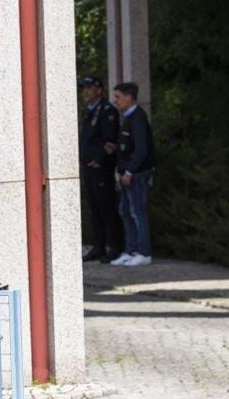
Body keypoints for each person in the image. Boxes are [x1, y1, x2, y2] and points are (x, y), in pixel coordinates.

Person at [78, 76, 123, 263]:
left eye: (89, 88)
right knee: (94, 208)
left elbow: (110, 140)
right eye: (84, 88)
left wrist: (99, 160)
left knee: (107, 208)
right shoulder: (89, 110)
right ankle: (98, 246)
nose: (86, 91)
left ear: (99, 89)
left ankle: (115, 247)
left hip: (101, 168)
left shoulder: (107, 111)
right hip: (88, 167)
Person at [110, 82, 155, 267]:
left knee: (137, 212)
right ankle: (130, 250)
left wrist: (129, 171)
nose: (116, 100)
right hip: (127, 172)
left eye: (119, 97)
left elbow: (142, 150)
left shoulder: (137, 117)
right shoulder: (128, 117)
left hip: (137, 173)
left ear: (129, 97)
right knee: (126, 211)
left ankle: (143, 252)